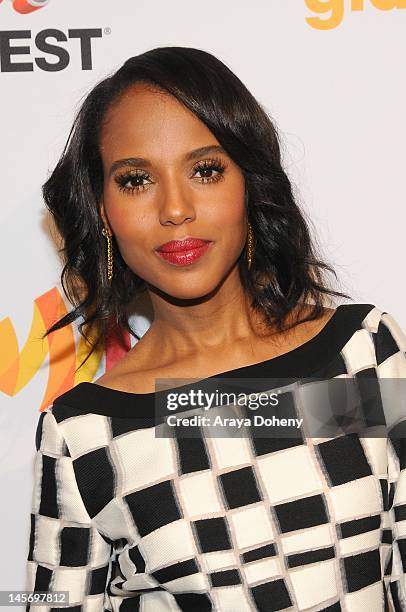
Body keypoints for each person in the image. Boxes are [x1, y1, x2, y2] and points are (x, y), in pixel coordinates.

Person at [25, 46, 406, 611]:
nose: (175, 208)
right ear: (102, 210)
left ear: (248, 185)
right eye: (135, 180)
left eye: (204, 170)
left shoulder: (362, 356)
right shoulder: (86, 432)